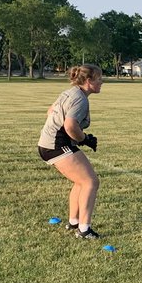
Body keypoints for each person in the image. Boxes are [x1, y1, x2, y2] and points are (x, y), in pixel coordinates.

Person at [38, 64, 104, 238]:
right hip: (56, 145)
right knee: (91, 182)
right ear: (89, 81)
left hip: (49, 143)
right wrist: (85, 139)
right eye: (99, 79)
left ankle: (74, 222)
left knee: (81, 181)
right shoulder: (81, 99)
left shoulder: (70, 92)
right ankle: (84, 230)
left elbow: (50, 111)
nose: (102, 82)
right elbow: (69, 125)